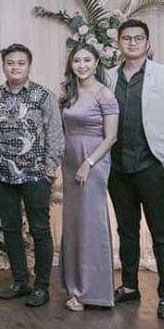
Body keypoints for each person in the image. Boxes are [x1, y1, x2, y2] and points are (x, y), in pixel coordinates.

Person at [106, 19, 164, 320]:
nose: (132, 42)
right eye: (126, 38)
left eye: (138, 38)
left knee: (161, 233)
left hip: (152, 166)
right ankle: (130, 286)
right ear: (118, 43)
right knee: (126, 230)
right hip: (118, 169)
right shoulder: (108, 76)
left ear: (147, 43)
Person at [0, 43, 64, 308]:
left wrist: (51, 167)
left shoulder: (43, 96)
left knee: (39, 230)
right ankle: (20, 281)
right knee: (10, 229)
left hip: (35, 174)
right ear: (3, 66)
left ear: (29, 65)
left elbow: (55, 132)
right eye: (10, 63)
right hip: (0, 174)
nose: (15, 67)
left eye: (20, 63)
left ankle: (41, 287)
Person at [59, 44, 119, 311]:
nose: (81, 65)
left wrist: (88, 163)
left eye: (87, 60)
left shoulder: (104, 94)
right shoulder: (69, 92)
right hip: (70, 161)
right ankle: (74, 285)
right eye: (77, 60)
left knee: (91, 223)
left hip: (92, 161)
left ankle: (92, 291)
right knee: (74, 224)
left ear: (96, 63)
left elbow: (111, 137)